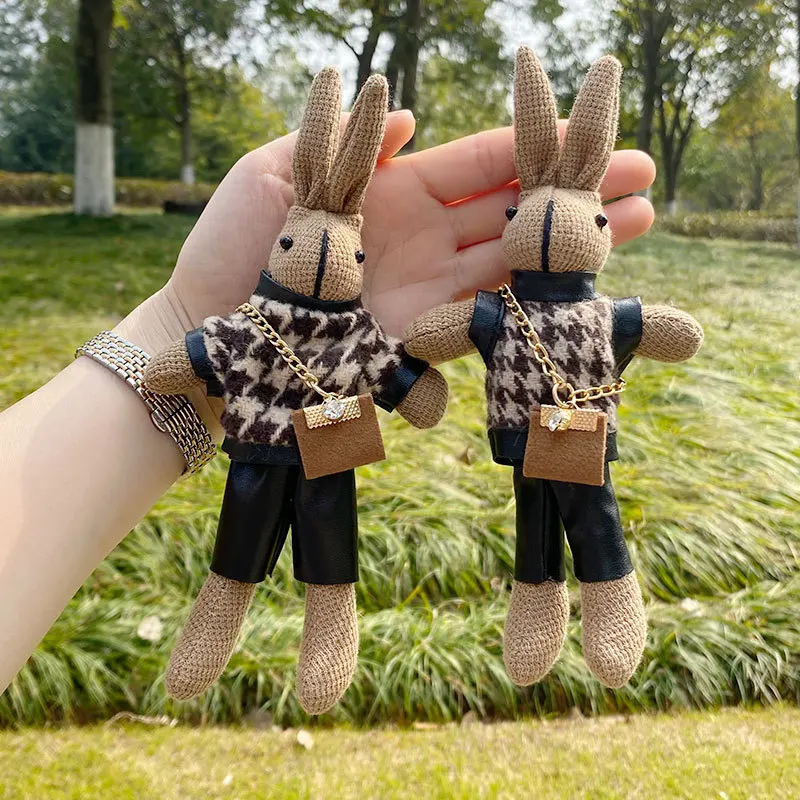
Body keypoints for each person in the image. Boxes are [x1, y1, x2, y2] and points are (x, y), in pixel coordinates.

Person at [0, 109, 656, 693]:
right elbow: (189, 358)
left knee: (340, 551)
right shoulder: (256, 326)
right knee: (240, 549)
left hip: (387, 452)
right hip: (263, 456)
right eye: (289, 244)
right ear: (277, 245)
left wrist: (414, 377)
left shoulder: (365, 335)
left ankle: (347, 639)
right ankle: (226, 628)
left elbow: (415, 371)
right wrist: (168, 331)